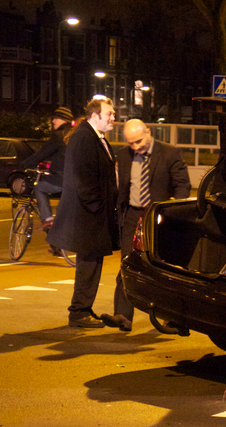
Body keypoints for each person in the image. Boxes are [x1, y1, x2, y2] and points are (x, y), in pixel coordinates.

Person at [102, 119, 190, 332]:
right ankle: (123, 315)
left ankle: (174, 317)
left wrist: (173, 214)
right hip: (132, 215)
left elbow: (182, 186)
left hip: (158, 216)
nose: (136, 146)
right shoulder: (123, 155)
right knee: (127, 262)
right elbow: (122, 188)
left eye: (139, 141)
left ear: (148, 132)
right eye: (131, 143)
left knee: (165, 267)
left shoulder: (169, 153)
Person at [47, 97, 119, 329]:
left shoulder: (94, 137)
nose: (113, 117)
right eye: (109, 113)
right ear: (94, 116)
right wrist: (98, 208)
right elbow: (83, 180)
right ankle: (79, 312)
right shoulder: (84, 137)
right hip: (89, 217)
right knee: (88, 265)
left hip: (92, 215)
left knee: (91, 265)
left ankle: (83, 309)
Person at [18, 107, 73, 245]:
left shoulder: (58, 136)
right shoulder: (73, 135)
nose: (53, 121)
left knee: (39, 188)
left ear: (63, 120)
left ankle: (48, 219)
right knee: (62, 213)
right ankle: (57, 246)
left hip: (62, 179)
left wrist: (24, 164)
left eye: (56, 118)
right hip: (73, 180)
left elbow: (42, 153)